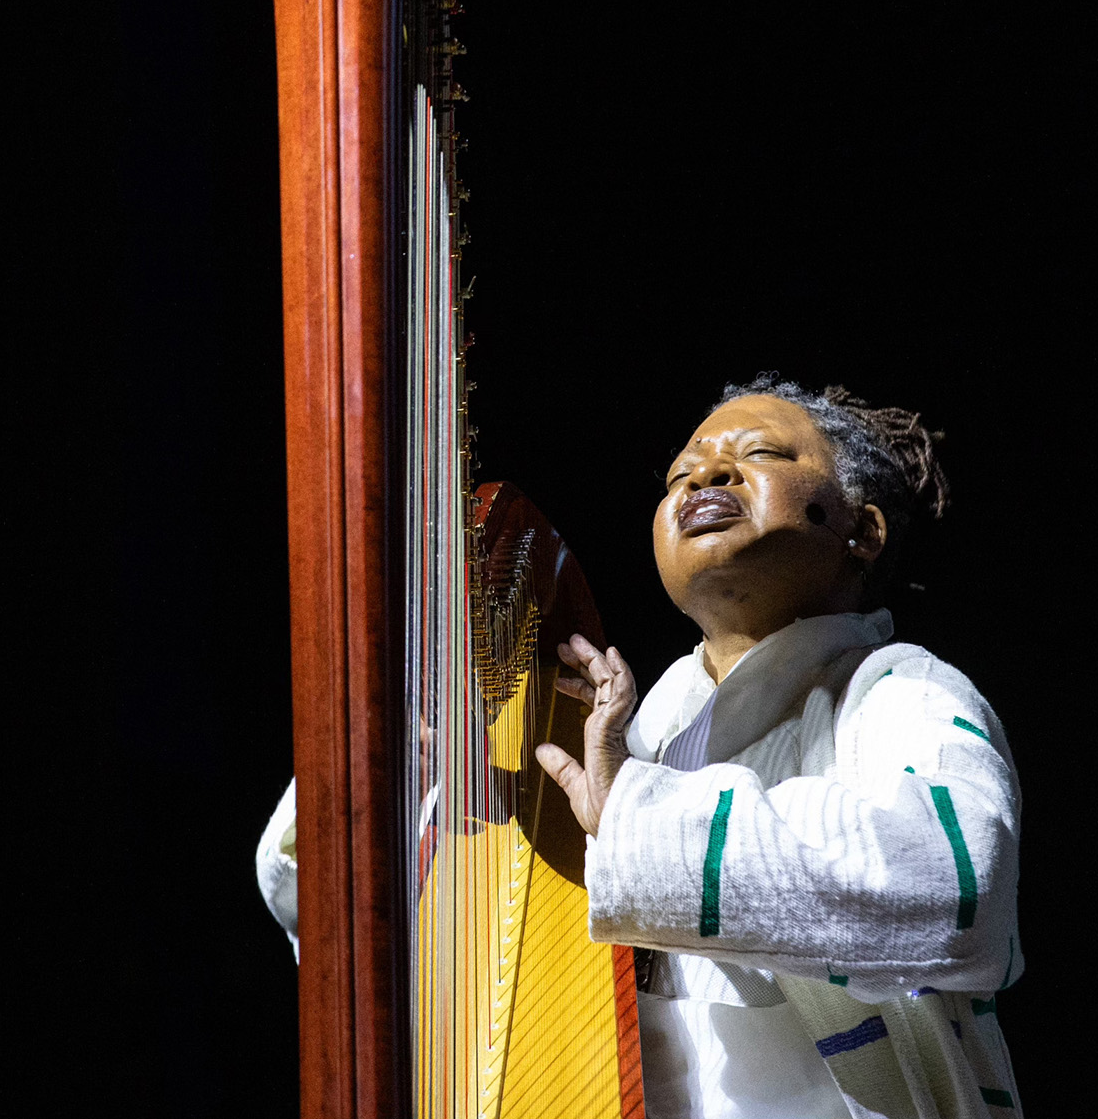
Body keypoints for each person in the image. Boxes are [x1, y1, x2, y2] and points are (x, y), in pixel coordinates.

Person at [256, 376, 1026, 1118]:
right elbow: (324, 918)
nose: (706, 473)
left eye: (759, 454)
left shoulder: (897, 690)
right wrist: (389, 785)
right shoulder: (635, 740)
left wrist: (630, 810)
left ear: (861, 531)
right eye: (679, 472)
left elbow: (959, 884)